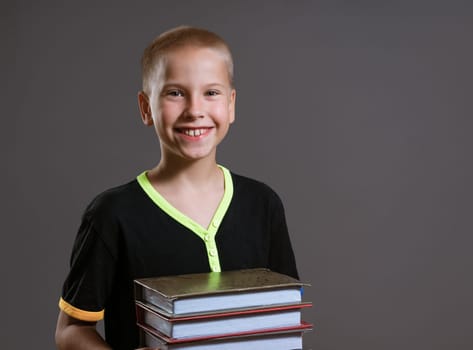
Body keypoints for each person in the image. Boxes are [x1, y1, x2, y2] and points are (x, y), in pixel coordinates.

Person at [54, 26, 298, 350]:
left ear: (231, 104)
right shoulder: (113, 215)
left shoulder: (263, 203)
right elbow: (70, 331)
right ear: (145, 108)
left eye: (211, 92)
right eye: (175, 93)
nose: (195, 109)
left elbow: (284, 320)